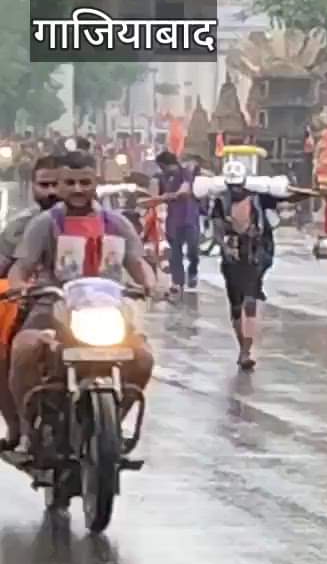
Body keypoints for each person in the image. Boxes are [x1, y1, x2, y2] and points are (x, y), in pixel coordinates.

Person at [7, 151, 156, 455]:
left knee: (142, 358)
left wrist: (152, 284)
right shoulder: (42, 224)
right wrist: (20, 287)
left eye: (84, 182)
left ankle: (112, 428)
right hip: (54, 306)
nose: (77, 189)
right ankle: (27, 429)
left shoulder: (117, 223)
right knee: (23, 348)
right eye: (70, 182)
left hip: (110, 311)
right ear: (59, 186)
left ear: (96, 182)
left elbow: (138, 263)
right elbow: (20, 268)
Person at [208, 161, 312, 370]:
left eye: (239, 186)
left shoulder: (258, 198)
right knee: (236, 306)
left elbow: (287, 198)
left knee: (250, 300)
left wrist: (310, 193)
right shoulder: (220, 202)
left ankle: (247, 350)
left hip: (256, 254)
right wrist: (225, 247)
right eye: (232, 187)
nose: (236, 191)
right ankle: (242, 346)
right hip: (233, 257)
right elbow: (217, 229)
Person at [0, 153, 61, 449]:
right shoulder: (21, 226)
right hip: (34, 301)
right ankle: (18, 427)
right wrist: (18, 286)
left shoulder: (105, 221)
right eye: (44, 184)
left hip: (89, 306)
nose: (52, 192)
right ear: (32, 186)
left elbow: (131, 260)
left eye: (57, 184)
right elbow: (9, 266)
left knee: (138, 355)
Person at [154, 150, 200, 294]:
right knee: (175, 253)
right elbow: (157, 195)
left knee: (193, 249)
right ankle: (177, 282)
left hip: (189, 217)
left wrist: (173, 195)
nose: (162, 169)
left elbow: (185, 188)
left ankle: (193, 270)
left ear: (168, 164)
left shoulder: (185, 172)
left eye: (162, 166)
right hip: (173, 220)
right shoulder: (162, 178)